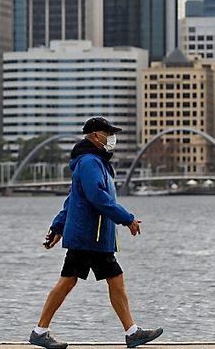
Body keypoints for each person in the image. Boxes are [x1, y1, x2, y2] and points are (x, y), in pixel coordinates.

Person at [29, 116, 163, 349]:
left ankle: (131, 332)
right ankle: (40, 331)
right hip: (90, 236)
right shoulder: (90, 162)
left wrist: (58, 227)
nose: (112, 138)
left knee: (88, 280)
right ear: (95, 136)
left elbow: (73, 198)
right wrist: (127, 218)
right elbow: (96, 197)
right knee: (91, 279)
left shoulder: (95, 162)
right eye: (108, 133)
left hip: (93, 235)